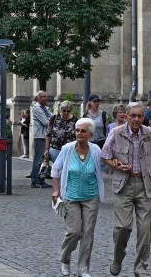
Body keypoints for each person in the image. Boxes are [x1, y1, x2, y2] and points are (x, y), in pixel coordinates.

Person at [101, 101, 151, 277]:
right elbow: (105, 156)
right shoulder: (116, 133)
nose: (136, 119)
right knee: (123, 227)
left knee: (144, 230)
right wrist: (117, 165)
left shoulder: (150, 134)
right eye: (133, 115)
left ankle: (141, 268)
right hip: (124, 185)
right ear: (126, 116)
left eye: (140, 116)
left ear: (144, 117)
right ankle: (117, 259)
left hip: (145, 185)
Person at [52, 117, 107, 277]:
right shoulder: (68, 149)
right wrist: (56, 190)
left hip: (91, 196)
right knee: (74, 232)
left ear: (90, 134)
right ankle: (65, 259)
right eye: (77, 130)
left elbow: (106, 163)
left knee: (88, 233)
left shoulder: (96, 150)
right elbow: (55, 170)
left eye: (83, 131)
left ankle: (83, 269)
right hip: (71, 196)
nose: (79, 133)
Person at [30, 90, 53, 189]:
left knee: (45, 159)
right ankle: (35, 180)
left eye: (45, 96)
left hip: (46, 136)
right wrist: (52, 121)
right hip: (40, 136)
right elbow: (46, 122)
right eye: (42, 97)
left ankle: (41, 179)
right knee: (39, 159)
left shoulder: (45, 108)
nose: (44, 98)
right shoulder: (37, 108)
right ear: (38, 98)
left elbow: (53, 118)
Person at [49, 100, 77, 164]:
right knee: (57, 169)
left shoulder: (75, 120)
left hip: (69, 150)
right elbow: (48, 134)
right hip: (55, 149)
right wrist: (46, 150)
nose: (66, 113)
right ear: (61, 110)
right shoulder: (54, 118)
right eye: (64, 110)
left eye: (68, 111)